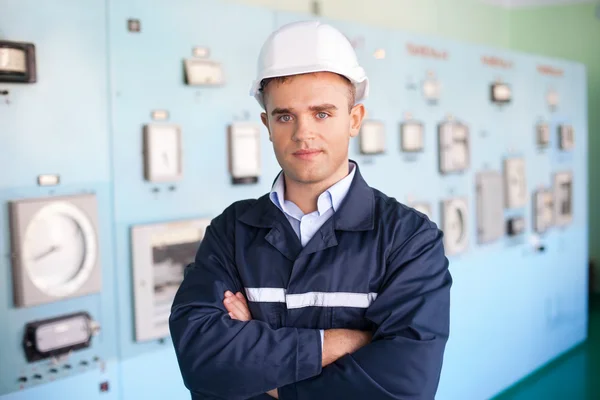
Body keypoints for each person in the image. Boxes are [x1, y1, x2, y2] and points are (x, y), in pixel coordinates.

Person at [169, 20, 452, 400]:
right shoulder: (231, 231)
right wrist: (337, 344)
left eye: (322, 113)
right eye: (285, 116)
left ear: (354, 120)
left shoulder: (408, 238)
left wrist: (266, 376)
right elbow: (202, 360)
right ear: (267, 124)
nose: (303, 133)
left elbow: (403, 386)